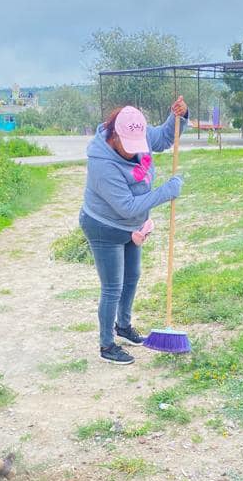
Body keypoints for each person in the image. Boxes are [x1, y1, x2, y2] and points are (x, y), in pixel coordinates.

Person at [80, 95, 188, 365]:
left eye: (136, 146)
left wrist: (177, 117)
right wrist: (166, 191)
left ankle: (123, 326)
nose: (133, 151)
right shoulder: (101, 162)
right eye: (127, 147)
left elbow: (163, 138)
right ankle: (107, 345)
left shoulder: (135, 130)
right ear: (114, 136)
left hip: (131, 227)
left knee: (133, 277)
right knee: (112, 287)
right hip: (104, 226)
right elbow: (126, 206)